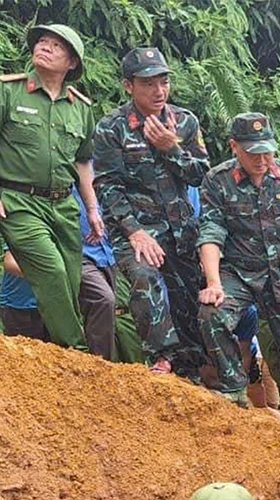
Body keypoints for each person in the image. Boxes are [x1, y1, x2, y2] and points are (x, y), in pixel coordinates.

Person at [197, 113, 280, 436]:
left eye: (267, 151)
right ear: (234, 147)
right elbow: (211, 232)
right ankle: (234, 388)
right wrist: (214, 283)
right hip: (239, 271)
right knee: (211, 315)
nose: (262, 159)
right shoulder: (217, 181)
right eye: (253, 152)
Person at [94, 47, 209, 377]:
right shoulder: (111, 128)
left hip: (181, 230)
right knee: (145, 278)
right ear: (129, 86)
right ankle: (161, 358)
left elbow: (200, 174)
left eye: (164, 82)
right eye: (148, 84)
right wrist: (134, 230)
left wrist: (171, 148)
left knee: (188, 301)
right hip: (136, 231)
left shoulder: (185, 122)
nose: (159, 91)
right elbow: (107, 186)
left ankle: (190, 372)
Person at [0, 24, 101, 352]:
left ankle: (50, 360)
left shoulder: (81, 107)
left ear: (72, 62)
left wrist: (92, 209)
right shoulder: (9, 91)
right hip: (18, 202)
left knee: (70, 281)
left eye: (56, 45)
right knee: (52, 271)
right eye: (42, 41)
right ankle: (78, 353)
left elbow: (83, 162)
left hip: (63, 206)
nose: (45, 47)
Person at [0, 188, 117, 359]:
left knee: (102, 300)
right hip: (24, 306)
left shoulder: (68, 198)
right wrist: (55, 276)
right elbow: (9, 261)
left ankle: (99, 371)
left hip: (64, 306)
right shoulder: (15, 202)